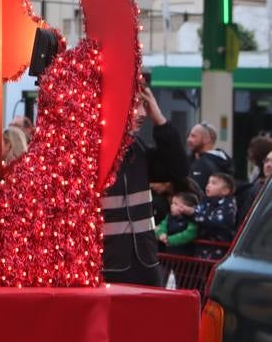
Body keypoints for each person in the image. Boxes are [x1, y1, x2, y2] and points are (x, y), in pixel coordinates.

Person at [102, 86, 189, 286]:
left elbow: (178, 170)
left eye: (144, 105)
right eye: (135, 104)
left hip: (145, 262)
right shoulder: (89, 152)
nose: (142, 113)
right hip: (105, 264)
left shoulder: (137, 148)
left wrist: (159, 120)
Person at [194, 172, 238, 258]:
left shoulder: (228, 205)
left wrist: (194, 215)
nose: (208, 185)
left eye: (213, 183)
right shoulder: (205, 201)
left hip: (218, 248)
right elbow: (196, 210)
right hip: (201, 247)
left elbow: (218, 221)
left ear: (225, 190)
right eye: (208, 183)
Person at [186, 122, 233, 193]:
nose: (188, 139)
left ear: (207, 139)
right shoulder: (224, 160)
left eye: (193, 136)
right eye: (189, 136)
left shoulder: (202, 164)